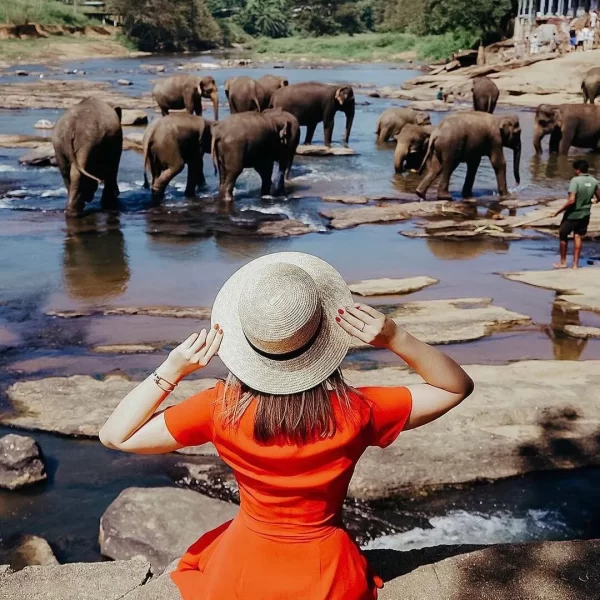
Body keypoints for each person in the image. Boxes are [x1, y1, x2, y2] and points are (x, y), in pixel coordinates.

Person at [99, 252, 474, 600]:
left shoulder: (220, 408)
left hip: (242, 567)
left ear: (247, 341)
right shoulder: (359, 409)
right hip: (327, 571)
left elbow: (116, 435)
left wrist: (172, 369)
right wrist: (395, 337)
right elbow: (455, 387)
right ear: (325, 334)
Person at [552, 159, 600, 269]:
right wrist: (592, 201)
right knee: (578, 236)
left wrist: (557, 212)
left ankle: (563, 262)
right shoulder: (594, 181)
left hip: (573, 214)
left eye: (574, 169)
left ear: (578, 170)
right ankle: (575, 264)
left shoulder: (575, 181)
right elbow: (599, 197)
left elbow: (571, 200)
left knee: (563, 235)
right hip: (585, 214)